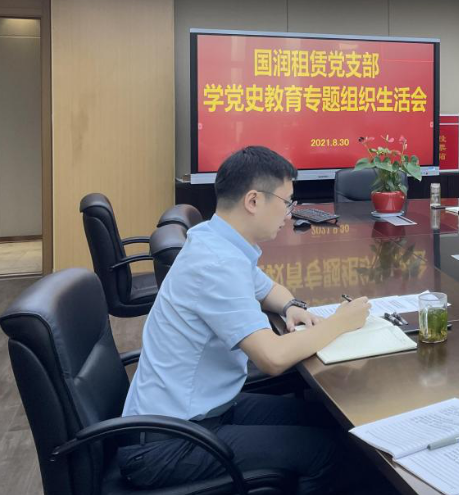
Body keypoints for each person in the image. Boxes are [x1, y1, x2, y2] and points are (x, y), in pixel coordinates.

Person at [118, 146, 373, 494]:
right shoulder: (216, 264)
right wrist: (341, 322)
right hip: (168, 443)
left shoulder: (215, 239)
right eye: (287, 202)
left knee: (329, 418)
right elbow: (273, 358)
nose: (289, 214)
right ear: (253, 201)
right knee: (326, 452)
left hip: (202, 411)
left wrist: (291, 306)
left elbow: (267, 290)